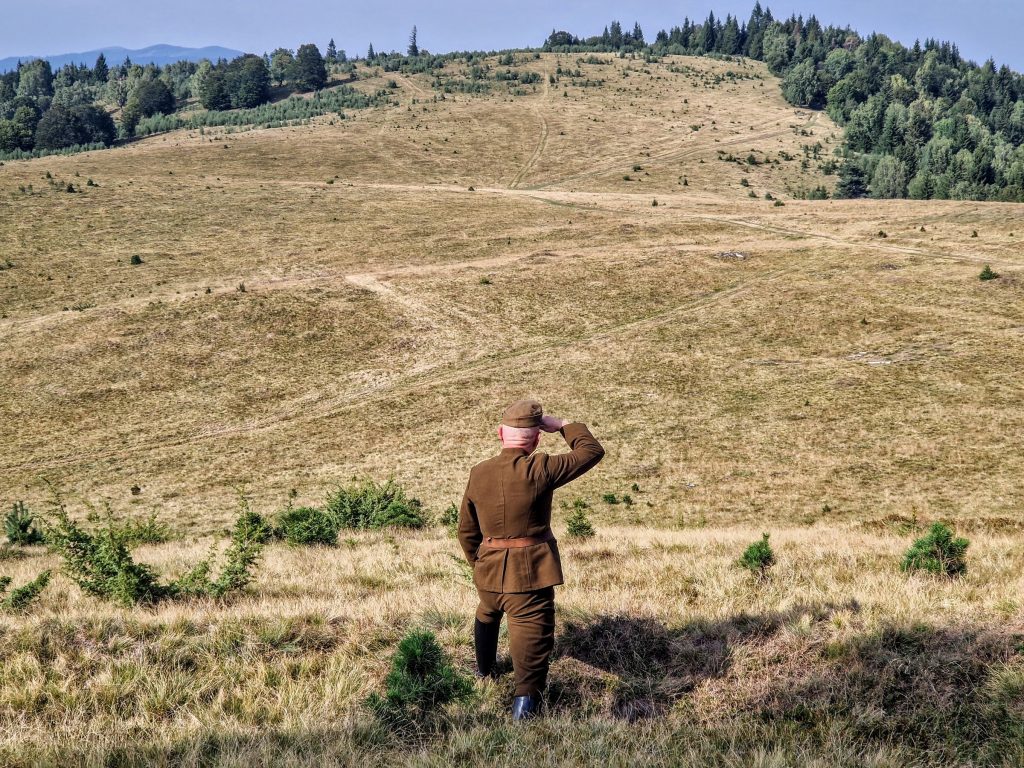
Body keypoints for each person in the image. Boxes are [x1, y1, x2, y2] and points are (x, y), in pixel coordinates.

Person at [458, 399, 605, 720]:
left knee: (488, 611)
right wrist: (564, 424)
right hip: (528, 577)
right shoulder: (540, 468)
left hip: (488, 571)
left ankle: (484, 672)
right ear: (538, 438)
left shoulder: (478, 472)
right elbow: (592, 451)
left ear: (500, 433)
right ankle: (523, 715)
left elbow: (466, 531)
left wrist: (480, 564)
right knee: (532, 644)